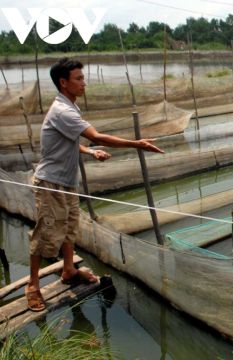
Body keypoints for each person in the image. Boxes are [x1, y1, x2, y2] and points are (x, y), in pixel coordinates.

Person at [25, 57, 164, 312]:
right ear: (63, 82)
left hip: (66, 182)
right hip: (50, 184)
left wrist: (90, 153)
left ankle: (68, 270)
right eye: (78, 79)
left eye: (83, 78)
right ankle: (33, 286)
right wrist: (138, 144)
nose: (83, 83)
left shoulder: (70, 107)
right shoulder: (63, 110)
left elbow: (67, 141)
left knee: (69, 227)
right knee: (45, 233)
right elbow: (97, 136)